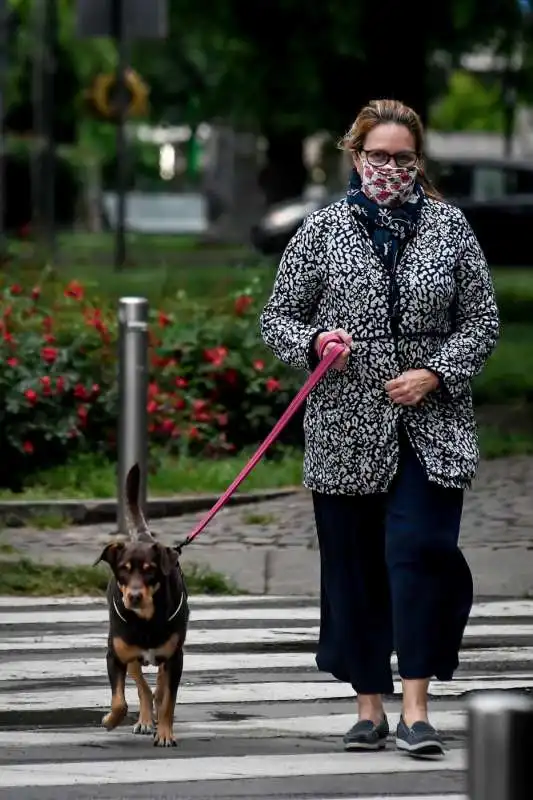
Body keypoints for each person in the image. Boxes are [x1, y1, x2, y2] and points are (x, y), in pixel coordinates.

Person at [259, 98, 499, 759]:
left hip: (432, 424)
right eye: (376, 156)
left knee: (419, 552)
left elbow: (481, 322)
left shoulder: (449, 229)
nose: (388, 168)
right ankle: (368, 705)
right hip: (343, 424)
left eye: (401, 157)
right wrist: (315, 342)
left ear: (417, 161)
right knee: (354, 570)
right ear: (353, 155)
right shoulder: (321, 229)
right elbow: (278, 317)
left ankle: (415, 710)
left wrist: (434, 372)